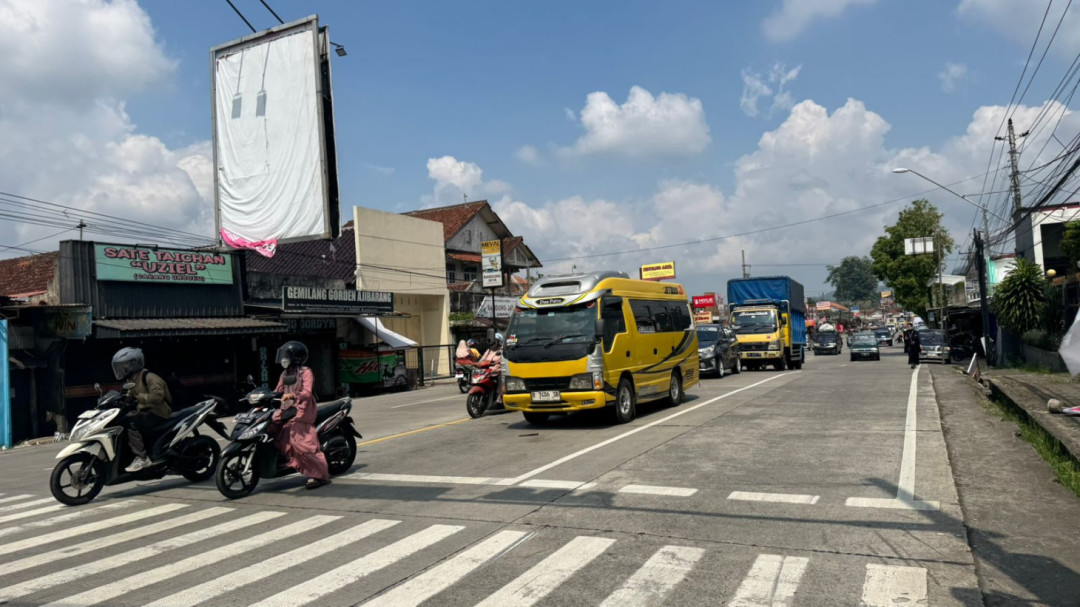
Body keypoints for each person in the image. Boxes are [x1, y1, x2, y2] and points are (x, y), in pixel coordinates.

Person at [273, 341, 331, 490]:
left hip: (302, 409)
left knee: (302, 444)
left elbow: (306, 392)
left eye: (286, 356)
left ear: (296, 357)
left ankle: (319, 475)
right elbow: (278, 390)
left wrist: (292, 395)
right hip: (287, 409)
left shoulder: (306, 372)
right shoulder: (285, 373)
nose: (283, 359)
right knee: (271, 426)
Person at [112, 347, 172, 473]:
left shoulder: (149, 377)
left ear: (135, 363)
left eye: (125, 365)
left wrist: (139, 398)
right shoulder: (132, 379)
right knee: (121, 421)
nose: (123, 369)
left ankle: (142, 457)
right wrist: (118, 401)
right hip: (145, 412)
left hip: (158, 412)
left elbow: (157, 396)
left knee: (131, 423)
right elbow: (129, 394)